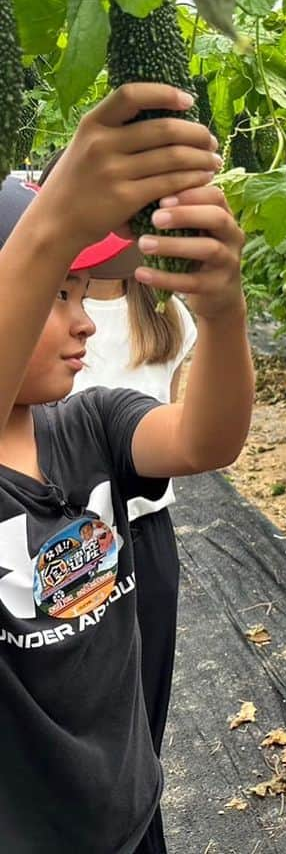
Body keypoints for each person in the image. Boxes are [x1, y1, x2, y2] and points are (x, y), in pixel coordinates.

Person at [0, 81, 253, 854]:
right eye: (56, 293)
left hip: (129, 815)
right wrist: (48, 226)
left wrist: (223, 312)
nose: (84, 320)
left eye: (83, 290)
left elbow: (206, 441)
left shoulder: (92, 420)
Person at [70, 272, 198, 853]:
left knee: (142, 719)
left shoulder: (163, 309)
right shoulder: (49, 309)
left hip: (144, 533)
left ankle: (142, 833)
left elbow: (187, 421)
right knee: (84, 722)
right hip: (72, 539)